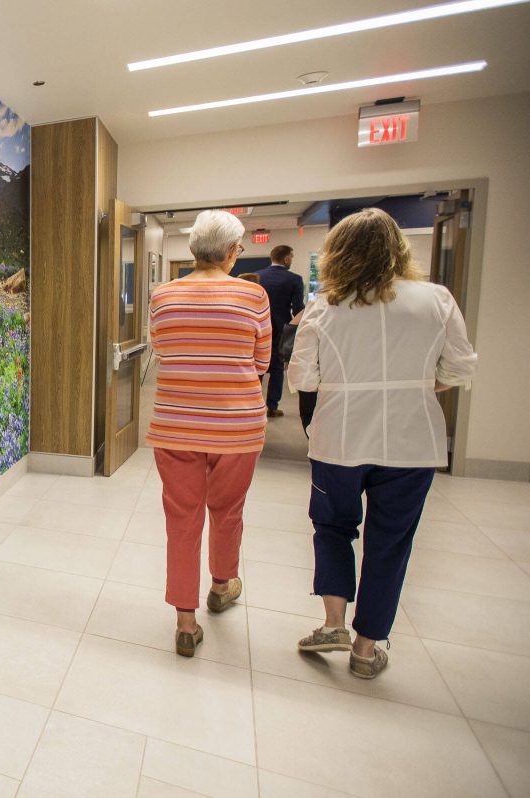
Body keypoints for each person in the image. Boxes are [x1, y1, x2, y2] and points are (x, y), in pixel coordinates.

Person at [288, 208, 476, 679]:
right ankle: (367, 648)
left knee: (333, 529)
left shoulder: (325, 306)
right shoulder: (436, 300)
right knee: (391, 543)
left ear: (338, 252)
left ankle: (333, 623)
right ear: (399, 250)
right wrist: (411, 387)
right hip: (412, 444)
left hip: (340, 441)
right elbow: (459, 368)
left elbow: (303, 378)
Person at [147, 210, 272, 658]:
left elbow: (162, 349)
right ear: (232, 252)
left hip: (176, 425)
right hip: (236, 427)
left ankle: (185, 621)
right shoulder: (253, 297)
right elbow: (261, 363)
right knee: (227, 511)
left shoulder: (163, 296)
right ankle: (221, 585)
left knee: (182, 519)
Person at [256, 245, 305, 417]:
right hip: (281, 327)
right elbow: (299, 308)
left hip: (258, 326)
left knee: (256, 365)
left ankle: (255, 403)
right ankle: (272, 406)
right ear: (286, 259)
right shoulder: (294, 279)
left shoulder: (257, 276)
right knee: (277, 367)